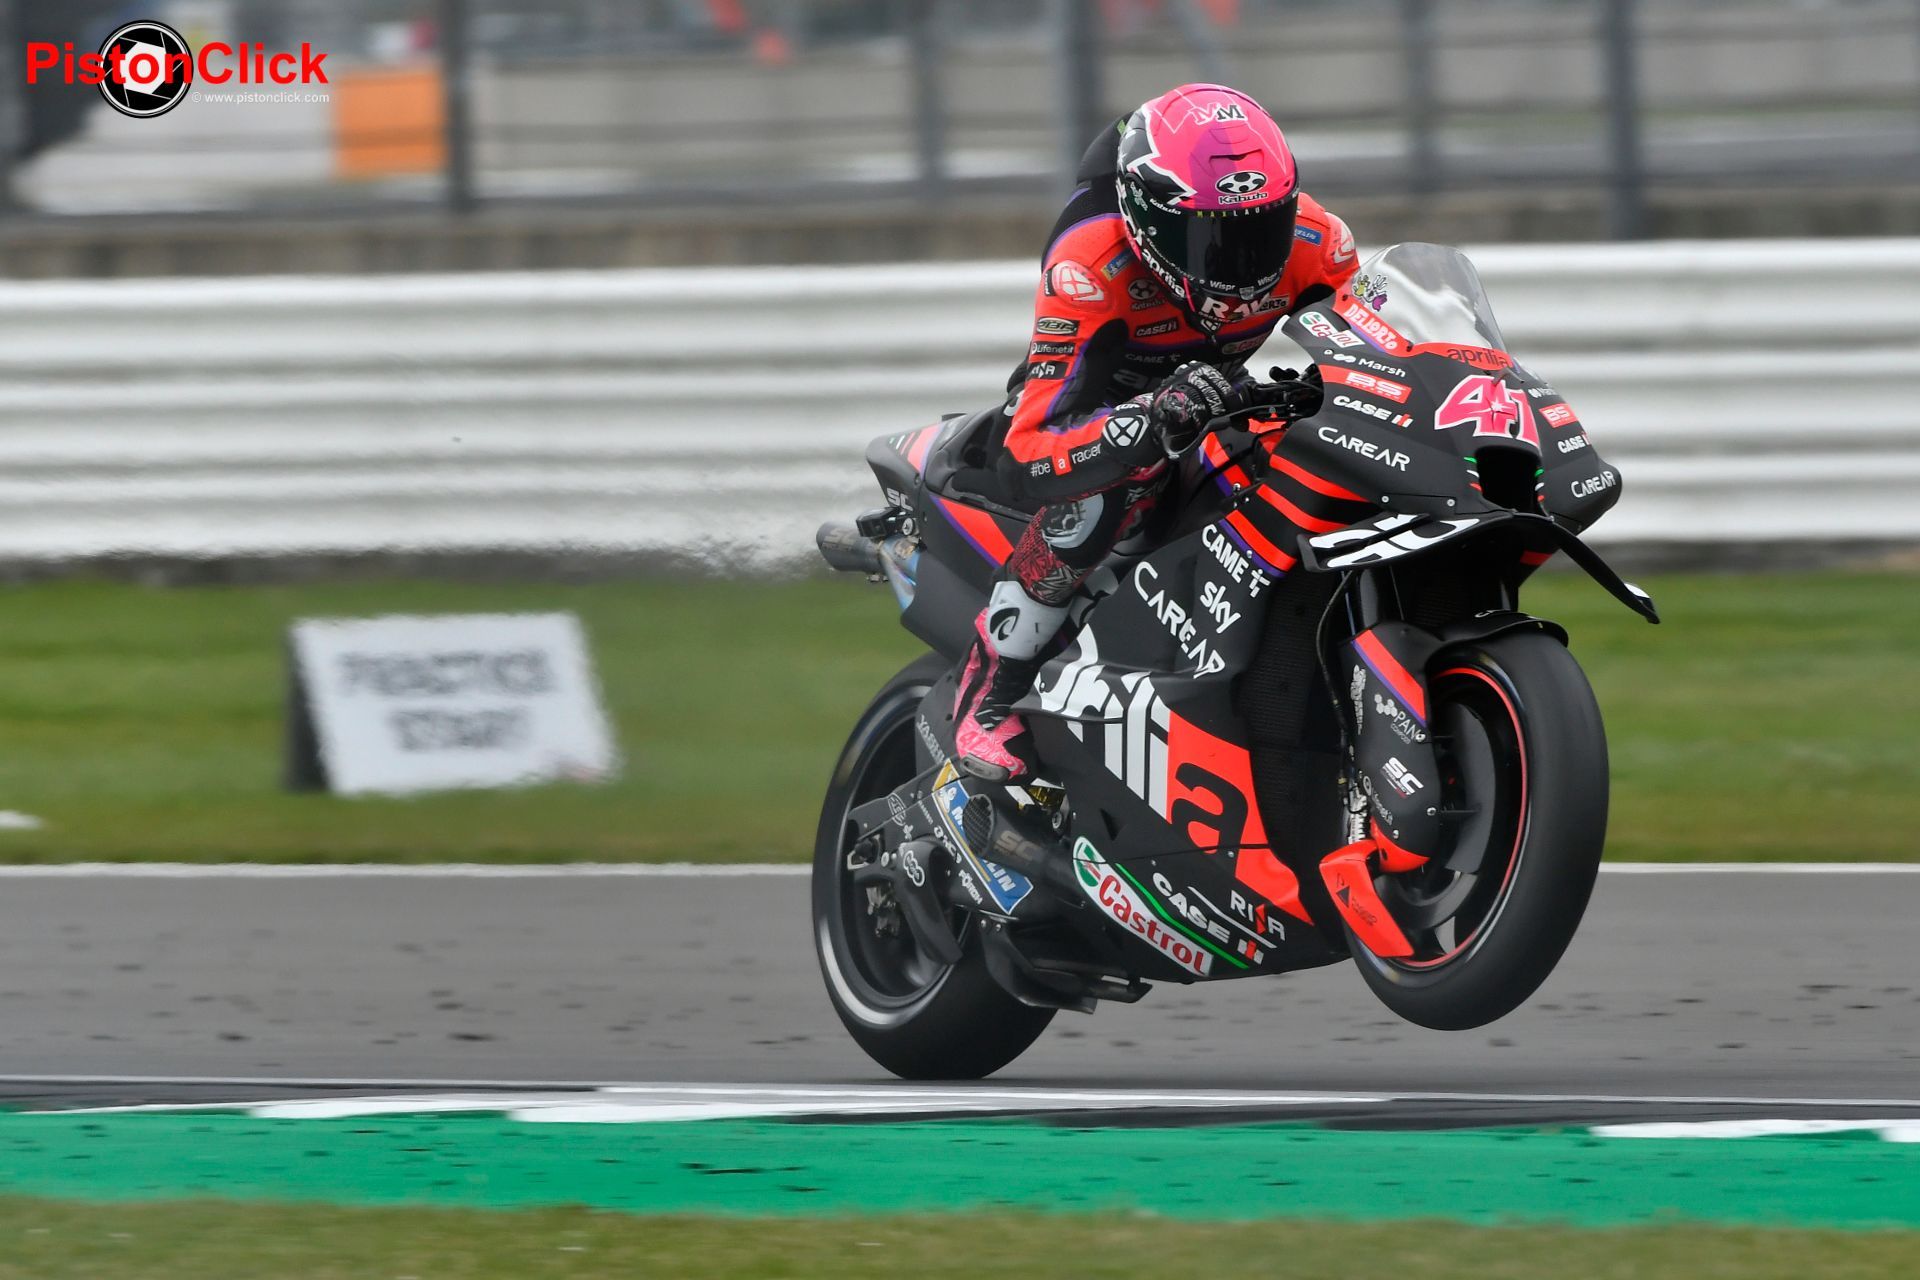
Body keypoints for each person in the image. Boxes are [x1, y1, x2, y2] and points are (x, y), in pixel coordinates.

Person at [953, 82, 1360, 781]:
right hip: (1096, 412)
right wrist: (1142, 421)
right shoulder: (1090, 265)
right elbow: (1028, 449)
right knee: (1114, 487)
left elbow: (1376, 350)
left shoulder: (1318, 242)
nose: (1242, 264)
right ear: (1147, 219)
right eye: (1210, 239)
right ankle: (990, 691)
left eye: (1259, 230)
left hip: (1219, 395)